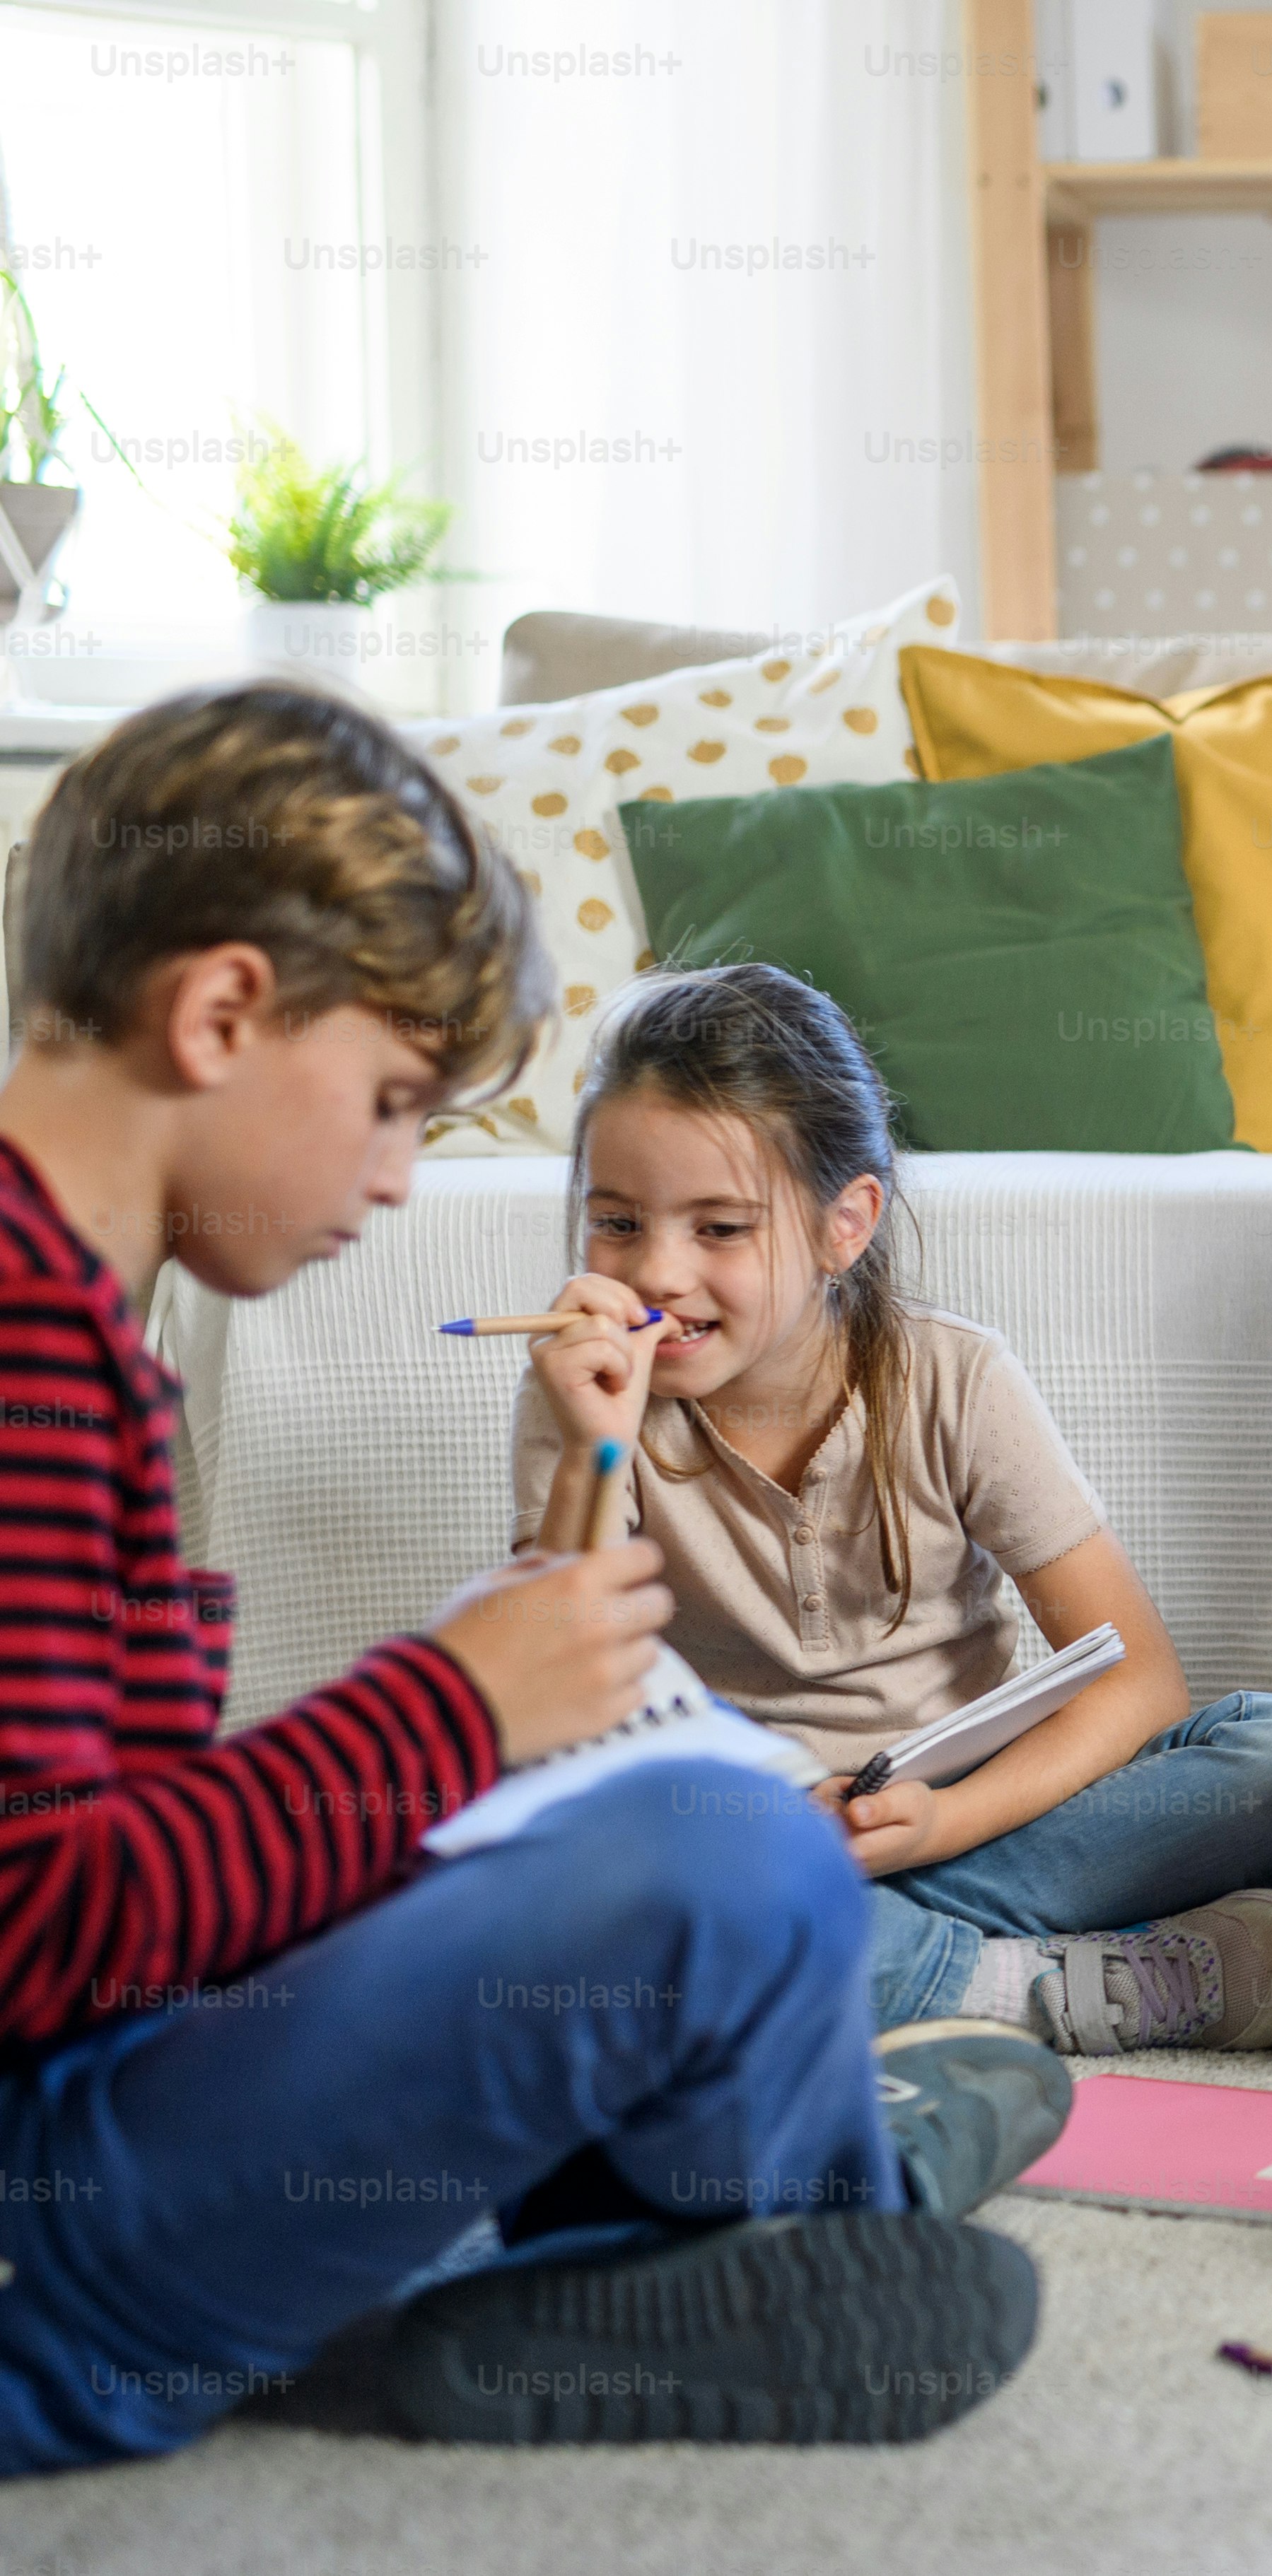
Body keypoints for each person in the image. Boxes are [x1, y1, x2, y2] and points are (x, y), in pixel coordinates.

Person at [0, 689, 1059, 2470]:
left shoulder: (75, 1322)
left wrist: (454, 1756)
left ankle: (730, 2190)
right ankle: (810, 2196)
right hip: (56, 2243)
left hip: (99, 2119)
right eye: (396, 1103)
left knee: (696, 1853)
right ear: (222, 1012)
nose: (400, 1180)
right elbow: (42, 1922)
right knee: (735, 1867)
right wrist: (445, 1712)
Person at [514, 964, 1272, 2052]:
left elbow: (1141, 1680)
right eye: (617, 1223)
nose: (656, 1273)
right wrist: (595, 1448)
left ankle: (862, 1959)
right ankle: (1046, 1988)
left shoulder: (954, 1379)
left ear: (844, 1224)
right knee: (596, 1896)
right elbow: (554, 1718)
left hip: (965, 1810)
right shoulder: (585, 1403)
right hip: (740, 1839)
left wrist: (943, 1823)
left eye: (720, 1228)